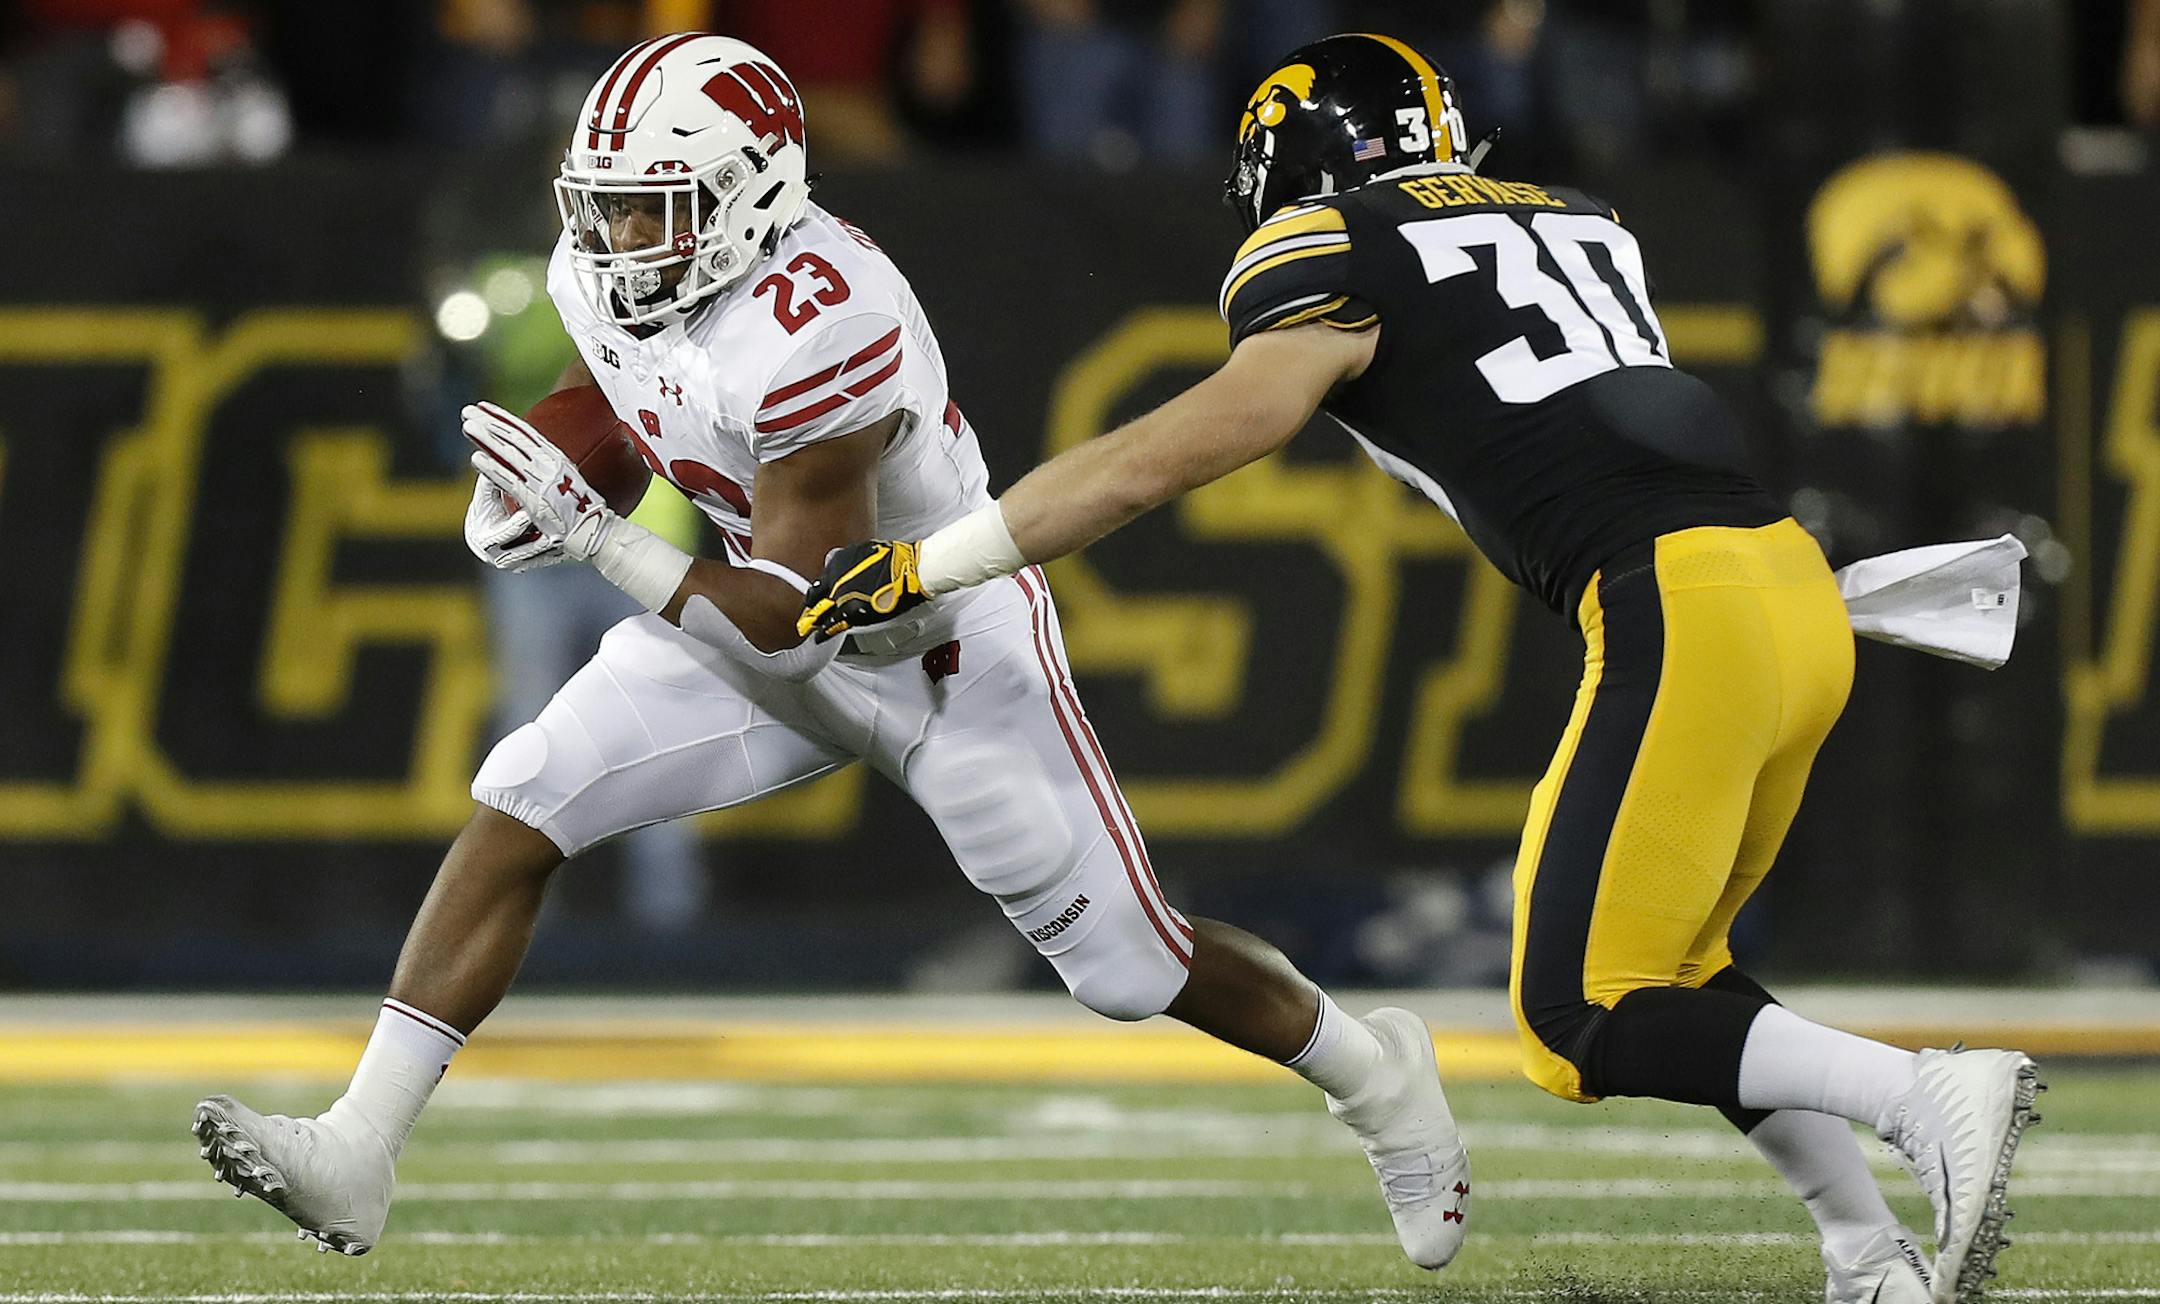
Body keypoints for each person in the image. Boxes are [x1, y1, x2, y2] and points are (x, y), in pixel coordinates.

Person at [189, 32, 1470, 1273]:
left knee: (1132, 968)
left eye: (655, 211)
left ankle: (1373, 1073)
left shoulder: (827, 323)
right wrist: (552, 467)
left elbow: (800, 625)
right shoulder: (617, 267)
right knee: (525, 793)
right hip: (757, 607)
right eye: (608, 208)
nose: (619, 241)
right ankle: (359, 1143)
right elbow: (631, 396)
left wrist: (599, 539)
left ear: (750, 201)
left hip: (934, 647)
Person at [796, 33, 2043, 1304]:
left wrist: (937, 558)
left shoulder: (1326, 243)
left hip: (1681, 604)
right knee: (1682, 974)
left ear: (1296, 163)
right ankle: (1865, 1250)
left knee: (1576, 1017)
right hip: (1790, 592)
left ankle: (1925, 1090)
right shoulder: (1574, 213)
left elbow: (1172, 452)